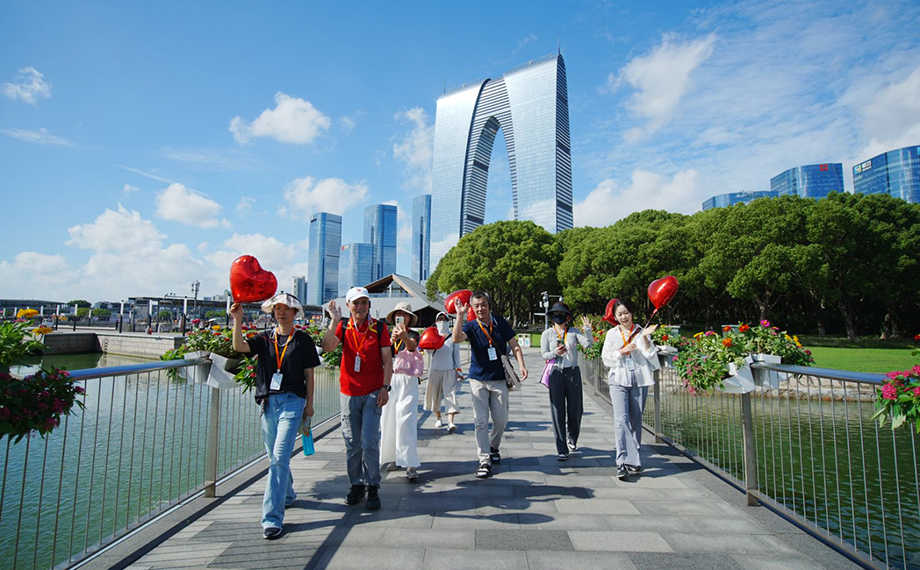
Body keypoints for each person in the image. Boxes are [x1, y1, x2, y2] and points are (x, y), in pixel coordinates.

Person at [230, 293, 318, 540]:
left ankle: (272, 518)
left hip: (293, 402)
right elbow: (240, 347)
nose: (281, 312)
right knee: (274, 457)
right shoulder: (265, 338)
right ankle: (287, 494)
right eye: (278, 308)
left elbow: (309, 375)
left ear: (295, 313)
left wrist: (310, 406)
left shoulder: (303, 340)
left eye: (286, 309)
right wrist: (237, 320)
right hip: (268, 403)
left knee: (279, 457)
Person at [322, 287, 392, 510]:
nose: (360, 307)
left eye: (364, 302)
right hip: (349, 391)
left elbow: (387, 360)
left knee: (369, 440)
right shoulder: (343, 326)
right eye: (356, 303)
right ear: (349, 306)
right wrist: (334, 320)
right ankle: (356, 484)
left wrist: (385, 387)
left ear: (369, 305)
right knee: (352, 441)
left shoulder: (379, 327)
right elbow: (327, 347)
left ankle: (373, 485)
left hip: (373, 391)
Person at [452, 291, 528, 479]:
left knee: (501, 419)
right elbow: (456, 338)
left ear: (489, 305)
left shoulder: (500, 323)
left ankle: (493, 446)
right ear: (472, 308)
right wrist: (460, 315)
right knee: (480, 421)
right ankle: (484, 459)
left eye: (483, 304)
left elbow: (514, 345)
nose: (480, 309)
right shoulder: (471, 325)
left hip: (499, 379)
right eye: (476, 306)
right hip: (478, 379)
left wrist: (521, 365)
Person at [601, 299, 659, 480]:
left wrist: (645, 339)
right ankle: (621, 462)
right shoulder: (612, 334)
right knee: (621, 420)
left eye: (626, 312)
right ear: (615, 317)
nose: (623, 317)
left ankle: (634, 460)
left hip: (639, 380)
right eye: (619, 314)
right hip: (618, 379)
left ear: (632, 313)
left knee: (635, 420)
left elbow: (652, 356)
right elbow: (606, 358)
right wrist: (622, 351)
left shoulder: (641, 331)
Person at [539, 302, 593, 461]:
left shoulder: (573, 332)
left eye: (562, 314)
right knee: (557, 410)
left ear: (567, 317)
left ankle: (572, 437)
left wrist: (587, 331)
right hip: (556, 372)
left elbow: (588, 345)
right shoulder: (547, 334)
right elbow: (544, 354)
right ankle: (561, 448)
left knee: (576, 410)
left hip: (573, 372)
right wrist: (555, 352)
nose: (559, 317)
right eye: (556, 314)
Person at [380, 302, 423, 481]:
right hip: (390, 378)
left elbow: (412, 346)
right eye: (398, 314)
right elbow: (384, 354)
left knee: (407, 420)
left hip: (408, 379)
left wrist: (404, 337)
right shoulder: (388, 335)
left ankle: (410, 463)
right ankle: (393, 457)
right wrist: (391, 341)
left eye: (404, 315)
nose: (401, 317)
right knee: (388, 418)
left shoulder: (413, 334)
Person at [424, 312, 462, 433]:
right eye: (440, 320)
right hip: (435, 369)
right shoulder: (433, 335)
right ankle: (438, 417)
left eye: (445, 320)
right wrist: (430, 343)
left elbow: (456, 355)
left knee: (450, 394)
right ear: (436, 322)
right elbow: (428, 352)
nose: (442, 322)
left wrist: (458, 370)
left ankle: (451, 422)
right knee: (435, 395)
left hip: (449, 369)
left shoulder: (452, 337)